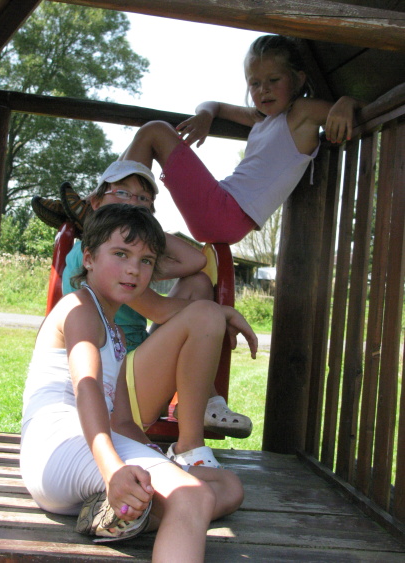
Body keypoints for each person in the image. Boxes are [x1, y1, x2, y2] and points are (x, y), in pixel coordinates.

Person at [20, 204, 256, 558]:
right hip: (60, 447)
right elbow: (87, 388)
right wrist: (113, 470)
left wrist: (155, 459)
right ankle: (130, 500)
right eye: (121, 254)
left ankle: (116, 513)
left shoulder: (115, 333)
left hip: (84, 455)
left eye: (146, 260)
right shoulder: (79, 309)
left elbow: (123, 422)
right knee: (193, 496)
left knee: (228, 487)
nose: (134, 268)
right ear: (89, 258)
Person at [33, 160, 254, 438]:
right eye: (121, 192)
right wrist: (222, 312)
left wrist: (143, 227)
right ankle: (193, 434)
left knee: (197, 282)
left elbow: (195, 261)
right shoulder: (98, 257)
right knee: (205, 313)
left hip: (137, 365)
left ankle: (200, 401)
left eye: (143, 199)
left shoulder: (131, 261)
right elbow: (159, 310)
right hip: (115, 392)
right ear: (95, 202)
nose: (132, 202)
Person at [118, 34, 366, 245]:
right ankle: (111, 201)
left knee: (155, 131)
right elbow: (213, 104)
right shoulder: (261, 120)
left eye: (273, 80)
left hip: (228, 212)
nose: (263, 89)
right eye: (254, 83)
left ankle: (114, 214)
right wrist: (205, 116)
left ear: (298, 79)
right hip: (225, 212)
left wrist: (347, 102)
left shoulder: (301, 113)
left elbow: (367, 109)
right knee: (144, 139)